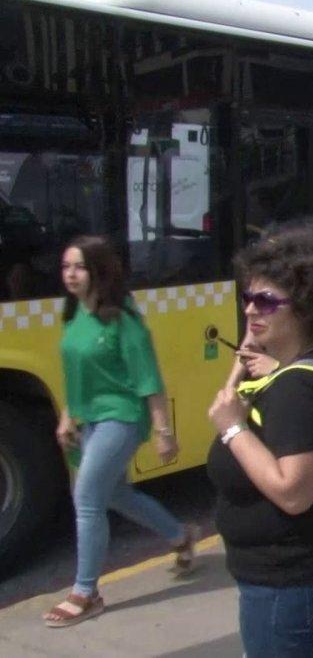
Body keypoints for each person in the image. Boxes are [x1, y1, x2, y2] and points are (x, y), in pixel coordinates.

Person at [205, 229, 313, 657]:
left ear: (305, 309)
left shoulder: (297, 389)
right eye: (248, 298)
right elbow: (229, 400)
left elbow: (294, 492)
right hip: (309, 573)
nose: (252, 310)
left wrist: (233, 430)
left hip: (289, 584)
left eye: (267, 302)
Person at [44, 236, 199, 628]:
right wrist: (68, 415)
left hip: (123, 416)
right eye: (65, 267)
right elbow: (78, 374)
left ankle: (86, 592)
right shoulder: (75, 314)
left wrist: (163, 431)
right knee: (115, 494)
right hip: (91, 418)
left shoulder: (123, 317)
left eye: (78, 267)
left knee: (87, 499)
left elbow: (148, 379)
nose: (71, 275)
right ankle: (181, 536)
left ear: (99, 271)